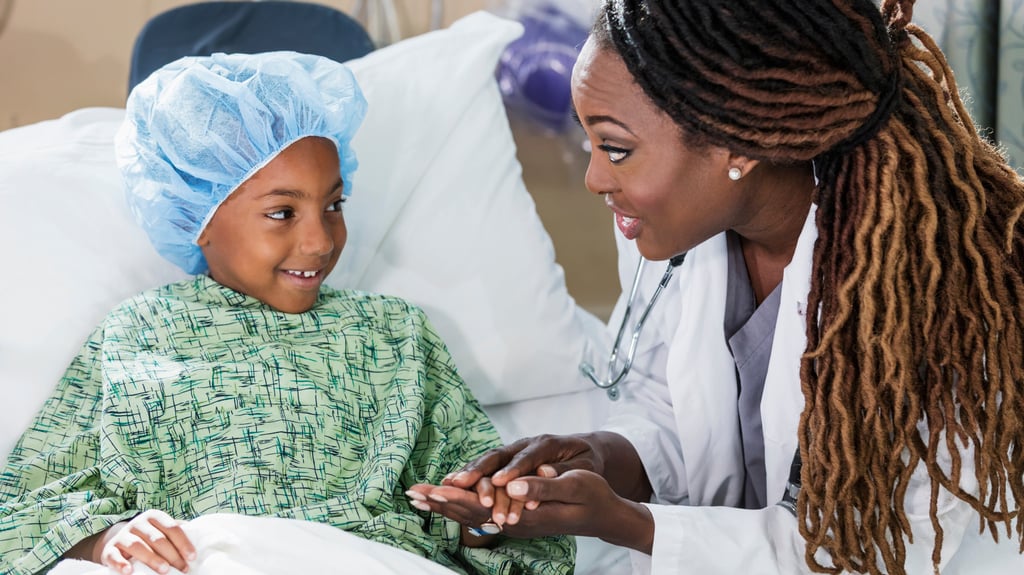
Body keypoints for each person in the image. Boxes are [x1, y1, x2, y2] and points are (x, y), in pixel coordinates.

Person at [408, 0, 1024, 573]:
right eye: (589, 141)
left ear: (737, 145)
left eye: (616, 149)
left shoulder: (919, 289)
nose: (594, 178)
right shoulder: (674, 231)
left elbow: (867, 548)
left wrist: (629, 523)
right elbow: (668, 405)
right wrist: (601, 456)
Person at [0, 51, 573, 575]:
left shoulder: (396, 334)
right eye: (282, 213)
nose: (321, 241)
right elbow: (23, 508)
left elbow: (491, 508)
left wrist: (484, 519)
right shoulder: (138, 333)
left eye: (334, 205)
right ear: (197, 215)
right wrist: (106, 539)